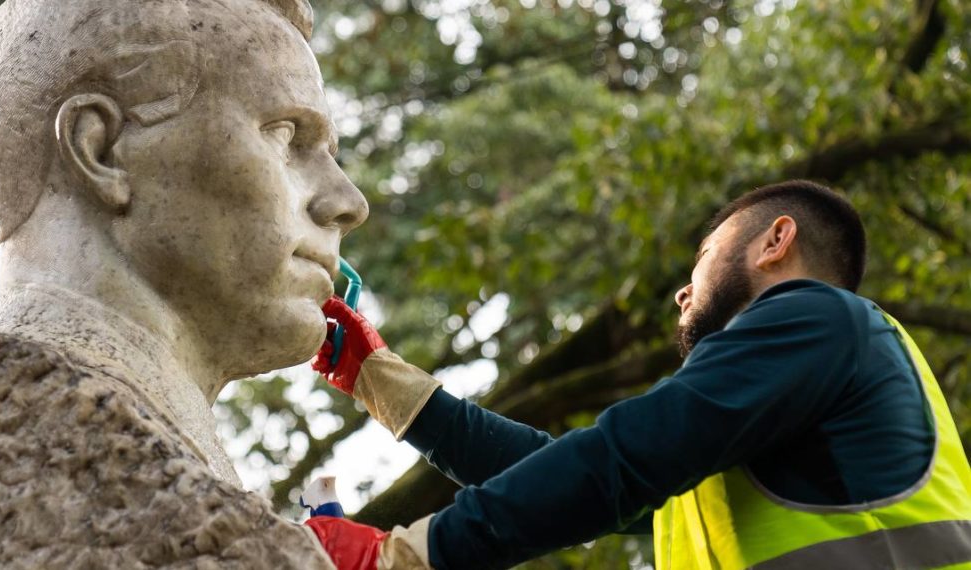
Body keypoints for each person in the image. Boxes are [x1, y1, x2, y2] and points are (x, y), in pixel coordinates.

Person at [0, 0, 366, 566]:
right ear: (101, 150)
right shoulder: (54, 447)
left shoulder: (142, 450)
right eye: (285, 136)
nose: (348, 203)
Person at [304, 180, 971, 569]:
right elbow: (568, 468)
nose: (683, 293)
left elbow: (621, 457)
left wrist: (409, 556)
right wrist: (377, 378)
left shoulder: (818, 316)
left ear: (775, 242)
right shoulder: (764, 436)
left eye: (703, 257)